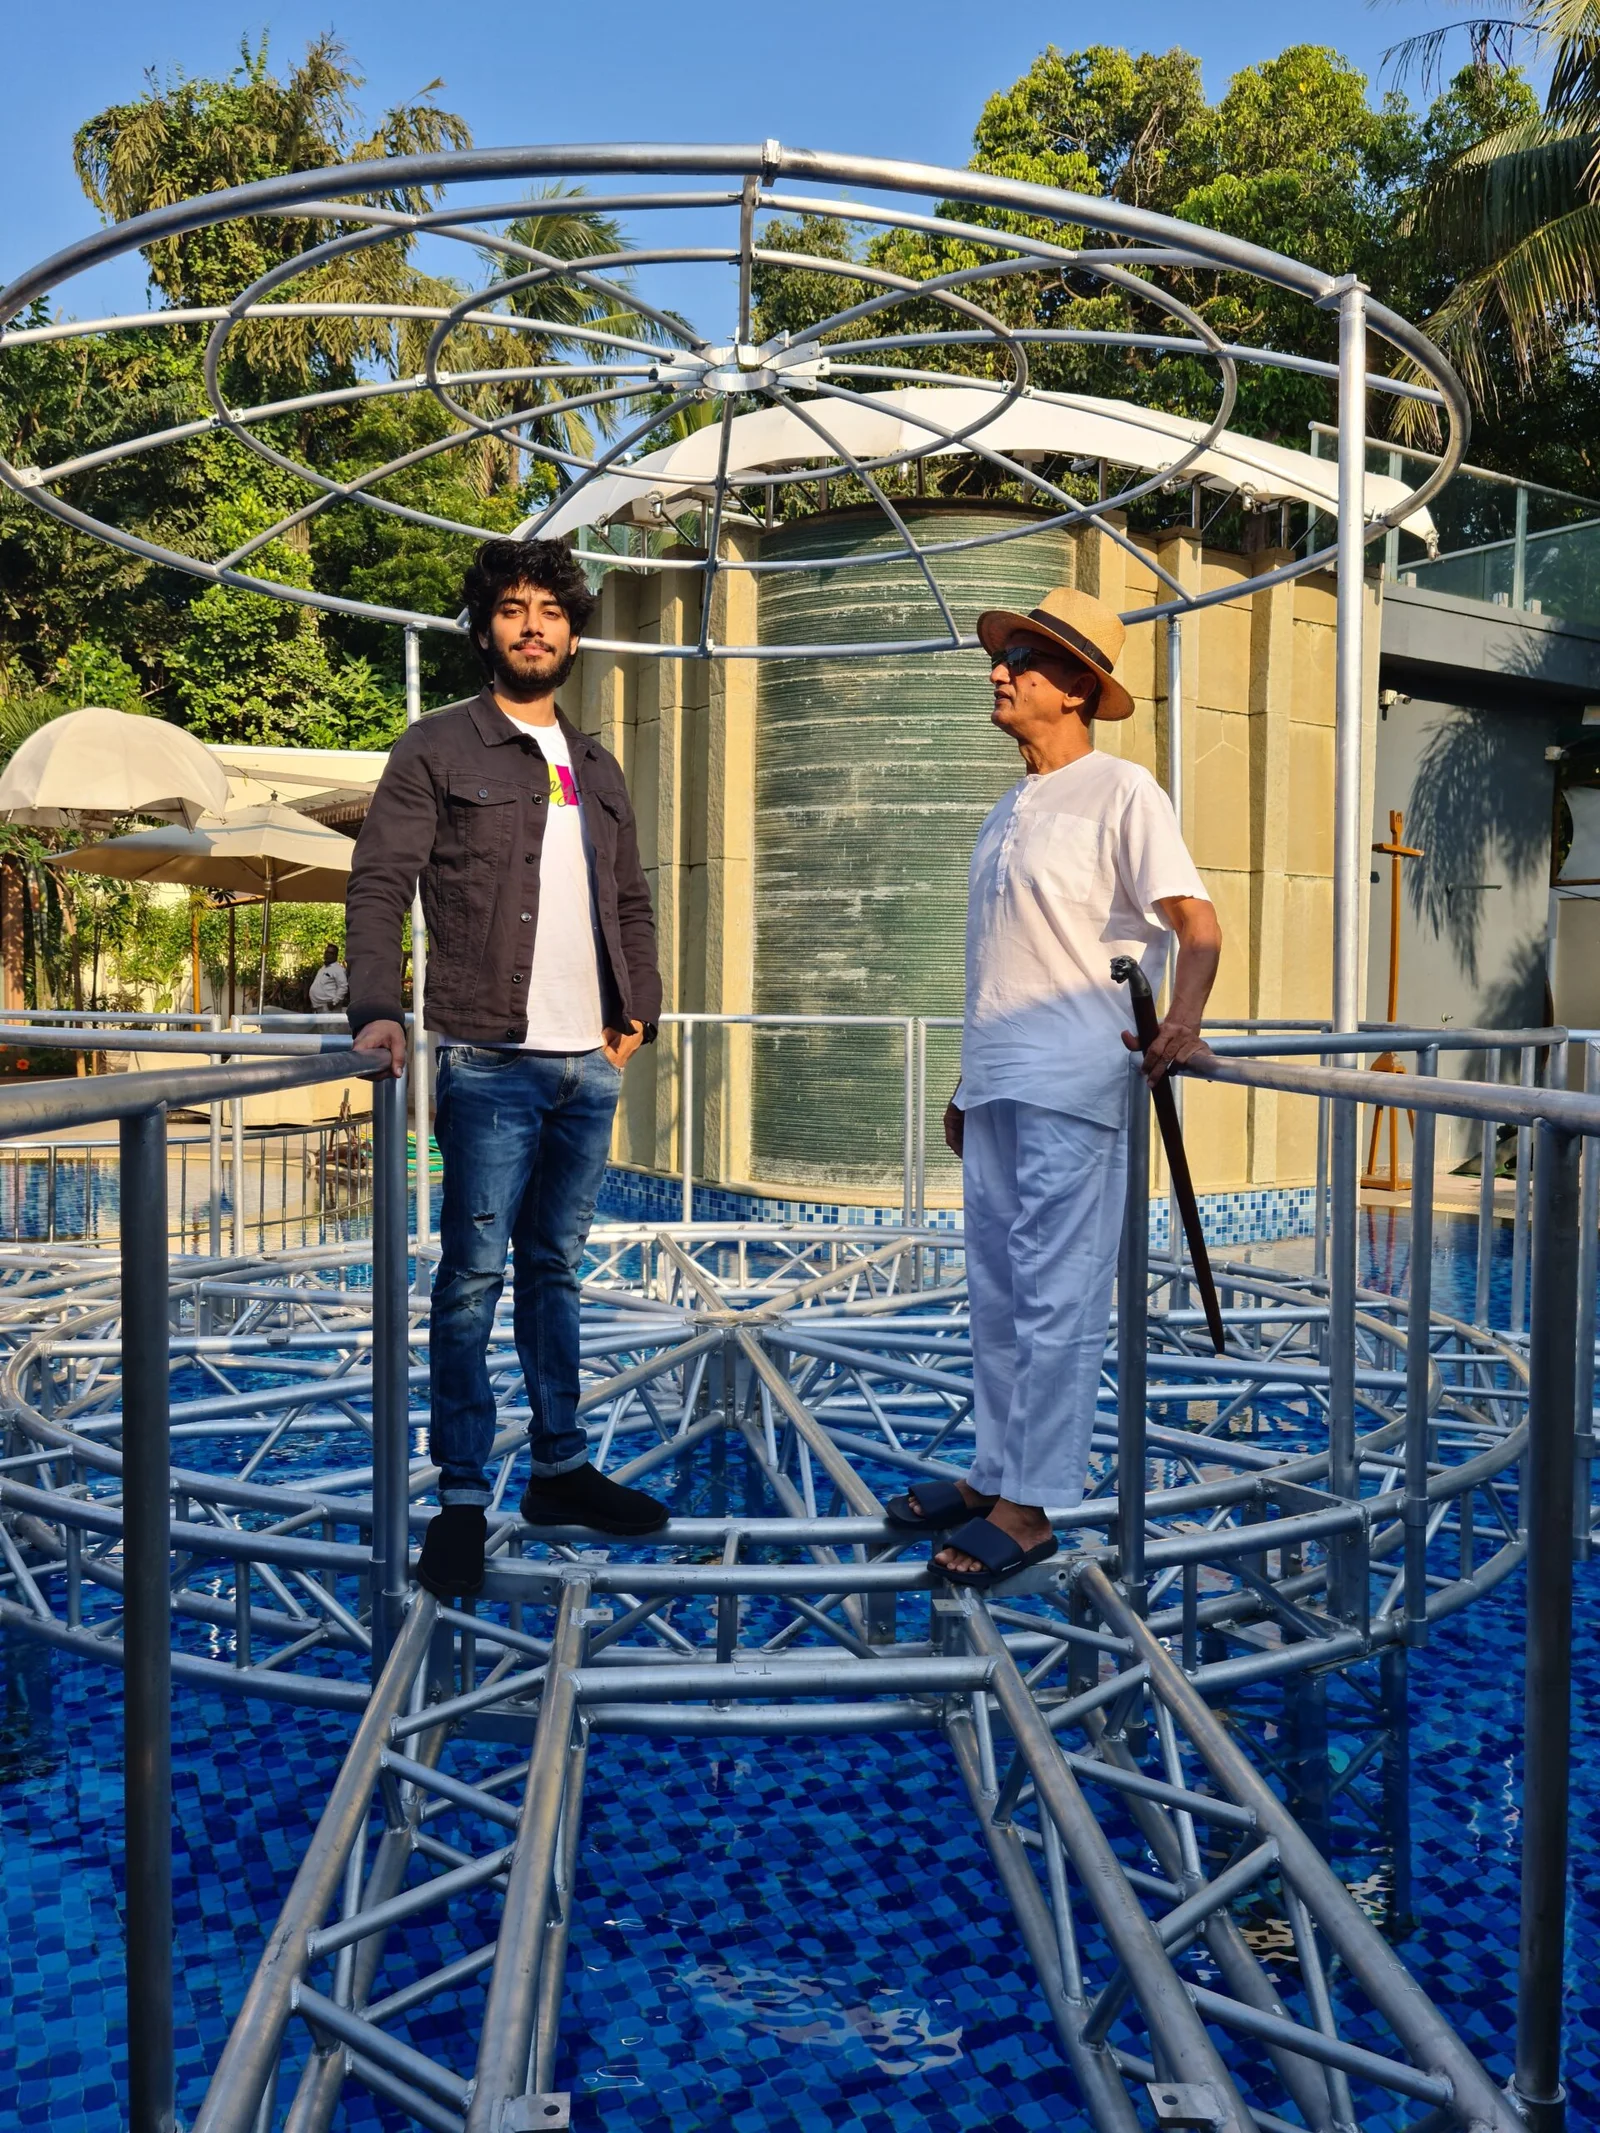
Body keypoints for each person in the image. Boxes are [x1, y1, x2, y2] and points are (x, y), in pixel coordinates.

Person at [345, 537, 667, 1600]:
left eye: (552, 611)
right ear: (485, 629)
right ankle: (462, 1498)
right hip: (489, 1060)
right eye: (515, 609)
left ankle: (560, 1470)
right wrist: (376, 1009)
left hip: (588, 1064)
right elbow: (380, 882)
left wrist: (639, 1011)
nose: (534, 626)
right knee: (472, 1281)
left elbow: (630, 901)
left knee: (555, 1272)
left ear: (573, 633)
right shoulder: (438, 746)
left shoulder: (598, 765)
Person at [885, 585, 1221, 1589]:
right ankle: (994, 1475)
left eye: (1023, 661)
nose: (1000, 672)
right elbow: (1007, 960)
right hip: (999, 1080)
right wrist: (967, 1080)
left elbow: (1196, 925)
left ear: (1075, 687)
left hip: (1077, 1079)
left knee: (1054, 1293)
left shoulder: (1123, 791)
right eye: (1006, 658)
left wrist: (1182, 1021)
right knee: (996, 1289)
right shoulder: (1009, 807)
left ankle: (1029, 1510)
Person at [308, 942, 349, 1013]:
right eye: (326, 952)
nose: (327, 955)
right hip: (318, 1007)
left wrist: (334, 1002)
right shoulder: (323, 968)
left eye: (331, 953)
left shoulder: (338, 969)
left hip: (329, 1008)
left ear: (335, 955)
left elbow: (343, 987)